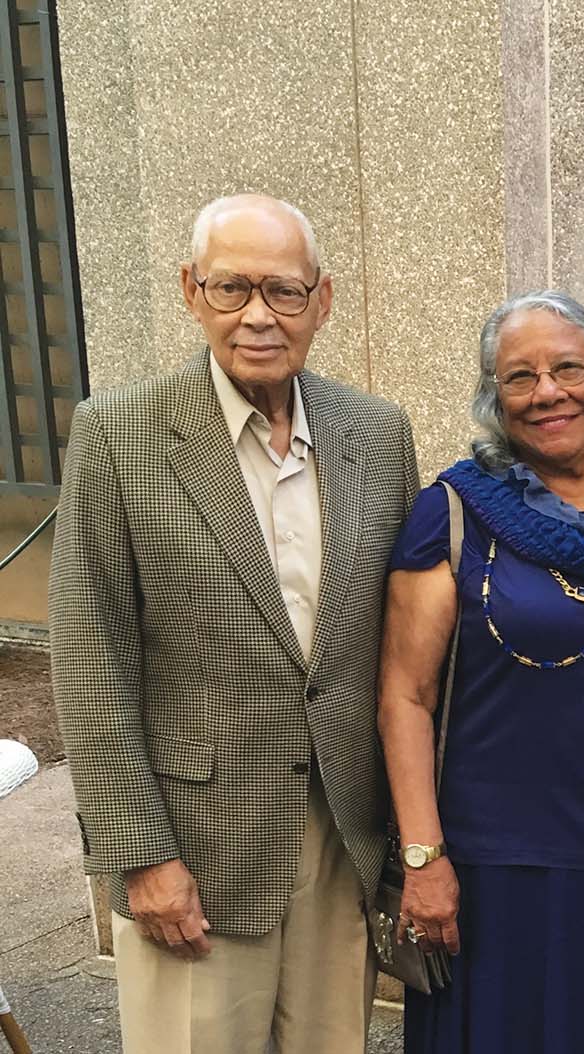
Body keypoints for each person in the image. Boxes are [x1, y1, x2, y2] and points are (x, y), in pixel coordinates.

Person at [48, 194, 419, 1053]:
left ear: (321, 301)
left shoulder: (377, 433)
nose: (258, 315)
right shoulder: (118, 434)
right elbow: (90, 657)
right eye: (232, 288)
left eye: (283, 292)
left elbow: (401, 647)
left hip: (342, 837)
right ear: (191, 290)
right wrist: (139, 855)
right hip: (197, 851)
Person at [378, 291, 584, 1053]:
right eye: (519, 378)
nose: (547, 392)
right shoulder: (455, 509)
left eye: (567, 368)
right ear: (495, 399)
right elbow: (404, 695)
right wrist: (424, 858)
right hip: (493, 863)